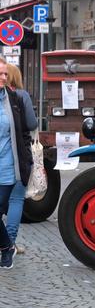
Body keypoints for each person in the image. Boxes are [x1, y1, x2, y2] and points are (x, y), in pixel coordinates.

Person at [0, 57, 33, 269]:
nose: (4, 78)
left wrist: (26, 161)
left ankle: (6, 246)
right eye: (0, 74)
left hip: (7, 168)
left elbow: (26, 130)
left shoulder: (14, 99)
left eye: (5, 74)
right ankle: (7, 246)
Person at [6, 64, 37, 256]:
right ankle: (9, 244)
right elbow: (32, 123)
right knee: (16, 199)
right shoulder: (21, 96)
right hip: (19, 155)